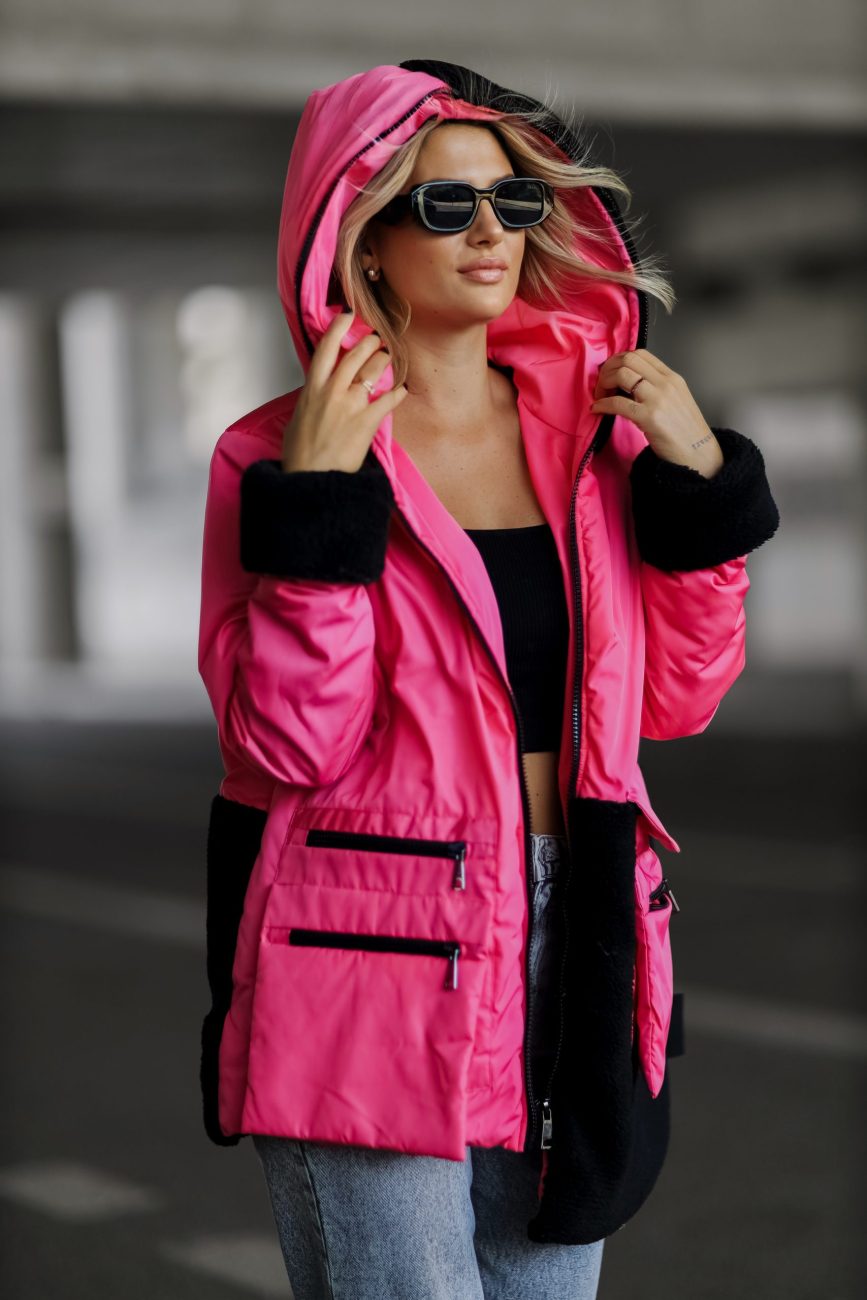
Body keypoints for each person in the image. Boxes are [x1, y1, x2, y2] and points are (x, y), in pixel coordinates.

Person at [197, 58, 780, 1299]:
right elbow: (289, 743)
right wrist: (318, 504)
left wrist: (696, 491)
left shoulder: (599, 442)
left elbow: (677, 699)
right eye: (446, 205)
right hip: (370, 938)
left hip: (581, 927)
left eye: (513, 204)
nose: (491, 235)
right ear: (363, 237)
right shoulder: (271, 453)